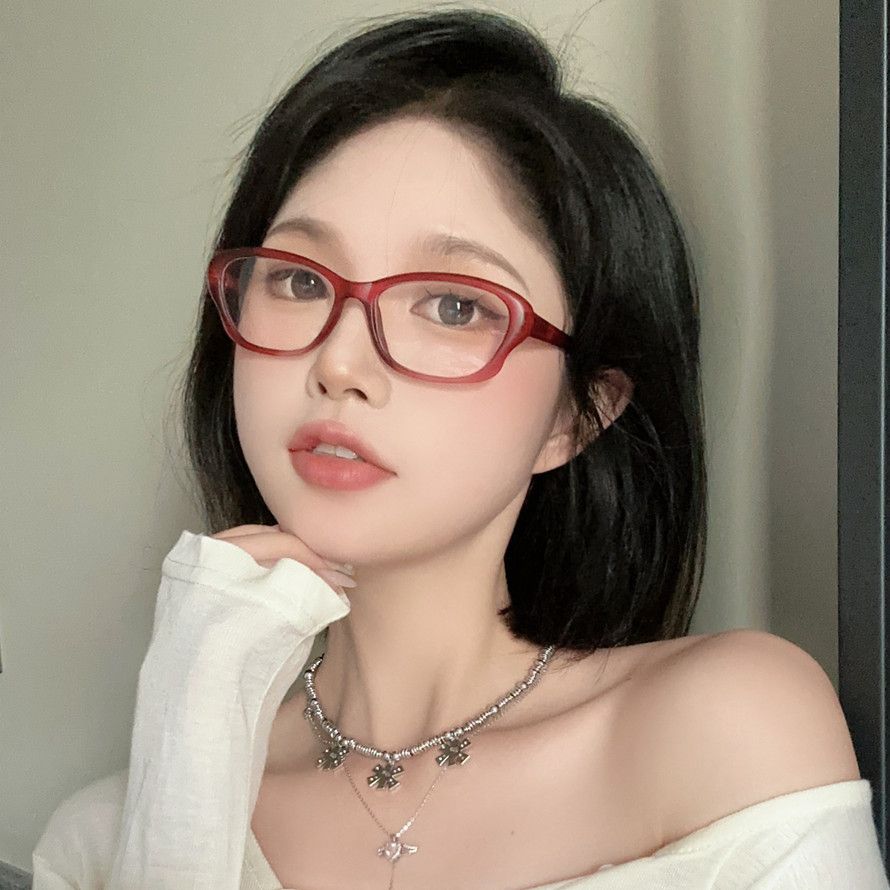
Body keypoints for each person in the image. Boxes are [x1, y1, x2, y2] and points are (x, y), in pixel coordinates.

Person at [31, 7, 889, 889]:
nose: (339, 363)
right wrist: (191, 738)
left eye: (454, 306)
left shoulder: (724, 730)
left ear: (578, 415)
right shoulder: (104, 835)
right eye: (297, 280)